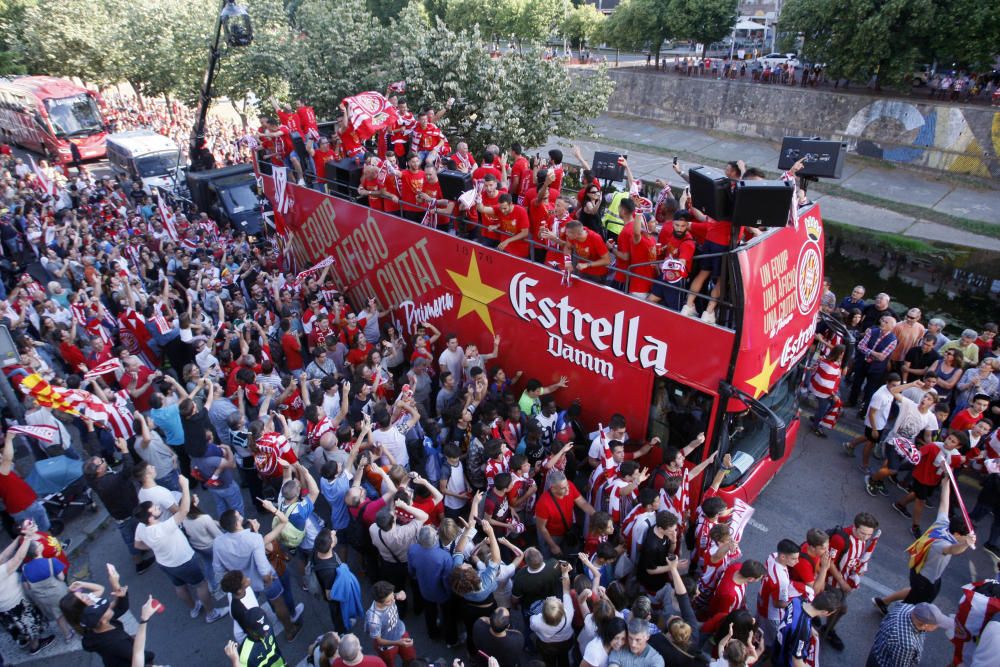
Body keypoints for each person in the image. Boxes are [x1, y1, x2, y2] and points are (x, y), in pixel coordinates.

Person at [133, 473, 229, 623]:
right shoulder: (164, 527)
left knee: (179, 586)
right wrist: (185, 487)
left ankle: (194, 608)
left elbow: (137, 544)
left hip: (165, 563)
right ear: (150, 516)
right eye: (155, 509)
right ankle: (211, 613)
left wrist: (152, 546)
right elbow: (183, 511)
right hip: (183, 560)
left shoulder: (141, 527)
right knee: (201, 585)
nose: (159, 508)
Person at [874, 479, 976, 611]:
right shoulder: (943, 543)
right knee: (913, 606)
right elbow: (953, 550)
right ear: (956, 534)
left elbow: (944, 502)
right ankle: (896, 619)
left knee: (914, 593)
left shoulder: (943, 523)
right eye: (964, 536)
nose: (965, 538)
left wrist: (945, 481)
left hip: (920, 570)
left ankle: (883, 602)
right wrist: (966, 544)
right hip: (925, 578)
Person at [0, 533, 54, 655]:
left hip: (3, 609)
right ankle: (35, 645)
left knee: (16, 626)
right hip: (16, 604)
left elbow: (3, 556)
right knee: (31, 625)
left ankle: (24, 640)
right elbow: (17, 559)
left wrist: (18, 539)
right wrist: (28, 538)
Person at [81, 593, 159, 667]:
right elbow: (137, 656)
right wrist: (150, 657)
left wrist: (122, 594)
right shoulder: (116, 643)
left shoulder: (96, 629)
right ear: (103, 621)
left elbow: (121, 607)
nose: (108, 607)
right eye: (105, 610)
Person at [865, 602, 953, 667]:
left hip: (878, 649)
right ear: (925, 625)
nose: (938, 626)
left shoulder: (907, 607)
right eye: (936, 624)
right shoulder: (905, 644)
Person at [771, 589, 844, 667]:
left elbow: (797, 617)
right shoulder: (803, 632)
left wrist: (810, 628)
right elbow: (797, 662)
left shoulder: (797, 600)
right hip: (784, 659)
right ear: (825, 612)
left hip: (778, 645)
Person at [1, 429, 51, 532]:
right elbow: (8, 458)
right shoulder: (2, 473)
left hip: (17, 507)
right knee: (41, 527)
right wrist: (9, 439)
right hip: (25, 505)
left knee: (30, 531)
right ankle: (50, 543)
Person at [529, 560, 575, 667]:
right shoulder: (568, 613)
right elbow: (566, 591)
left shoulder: (536, 620)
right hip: (565, 642)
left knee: (549, 662)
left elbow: (532, 627)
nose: (554, 597)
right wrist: (565, 573)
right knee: (564, 659)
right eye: (556, 600)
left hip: (546, 645)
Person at [365, 579, 417, 666]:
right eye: (389, 601)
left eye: (393, 596)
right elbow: (379, 641)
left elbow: (395, 595)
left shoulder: (388, 597)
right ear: (379, 602)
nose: (394, 601)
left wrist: (400, 593)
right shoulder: (374, 619)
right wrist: (398, 642)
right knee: (389, 664)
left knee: (411, 659)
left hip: (401, 632)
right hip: (388, 646)